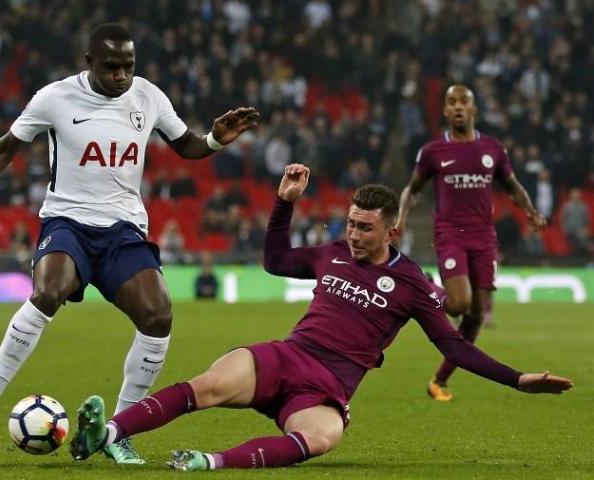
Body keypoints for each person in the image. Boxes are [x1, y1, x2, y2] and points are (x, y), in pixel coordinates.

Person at [0, 23, 259, 464]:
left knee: (159, 315)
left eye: (128, 66)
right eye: (111, 67)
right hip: (67, 221)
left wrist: (215, 139)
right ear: (89, 63)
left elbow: (186, 146)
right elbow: (5, 148)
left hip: (123, 229)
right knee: (49, 290)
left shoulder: (148, 96)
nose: (121, 75)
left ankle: (119, 432)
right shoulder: (55, 98)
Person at [67, 164, 572, 469]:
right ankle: (106, 434)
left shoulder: (413, 284)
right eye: (351, 224)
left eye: (365, 229)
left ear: (391, 231)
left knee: (322, 439)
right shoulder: (331, 253)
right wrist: (283, 206)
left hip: (327, 388)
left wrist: (517, 378)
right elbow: (275, 261)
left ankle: (209, 463)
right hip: (287, 357)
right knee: (208, 385)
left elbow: (454, 346)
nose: (353, 235)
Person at [396, 85, 547, 402]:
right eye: (451, 102)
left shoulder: (493, 149)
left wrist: (530, 211)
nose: (458, 107)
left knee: (476, 314)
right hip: (450, 233)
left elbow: (513, 186)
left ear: (474, 108)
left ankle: (439, 381)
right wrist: (401, 218)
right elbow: (412, 189)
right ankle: (428, 287)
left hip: (484, 237)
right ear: (446, 111)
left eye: (464, 101)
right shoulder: (433, 152)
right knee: (458, 304)